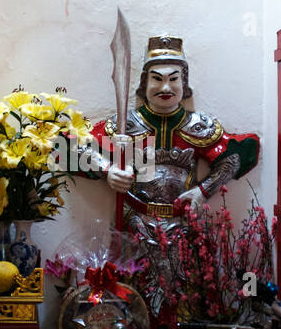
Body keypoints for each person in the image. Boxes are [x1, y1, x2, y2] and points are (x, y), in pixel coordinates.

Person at [87, 35, 260, 243]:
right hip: (133, 225)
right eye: (157, 79)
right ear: (145, 81)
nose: (166, 88)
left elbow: (238, 155)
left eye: (174, 79)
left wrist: (204, 191)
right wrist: (107, 170)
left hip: (185, 226)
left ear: (184, 81)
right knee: (131, 276)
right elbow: (71, 148)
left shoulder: (198, 126)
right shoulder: (125, 126)